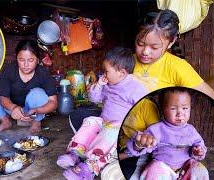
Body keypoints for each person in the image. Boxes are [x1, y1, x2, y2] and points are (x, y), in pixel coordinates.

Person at [100, 9, 214, 180]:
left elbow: (209, 94)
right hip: (124, 138)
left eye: (154, 47)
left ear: (171, 42)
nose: (145, 52)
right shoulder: (127, 63)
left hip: (152, 146)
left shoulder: (177, 67)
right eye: (140, 43)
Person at [56, 47, 148, 179]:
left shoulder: (135, 87)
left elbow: (144, 107)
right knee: (91, 120)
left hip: (120, 129)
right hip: (104, 122)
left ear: (122, 73)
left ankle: (89, 167)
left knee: (112, 130)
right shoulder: (108, 84)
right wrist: (99, 85)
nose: (104, 74)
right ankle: (75, 153)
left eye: (106, 71)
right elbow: (94, 99)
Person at [126, 87, 209, 179]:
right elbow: (141, 146)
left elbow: (199, 143)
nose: (180, 113)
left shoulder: (191, 130)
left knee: (200, 170)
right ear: (163, 110)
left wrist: (198, 151)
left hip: (185, 166)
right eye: (173, 108)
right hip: (162, 168)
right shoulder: (156, 129)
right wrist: (139, 144)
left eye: (185, 108)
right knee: (154, 170)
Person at [0, 39, 58, 133]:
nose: (26, 65)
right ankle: (5, 122)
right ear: (16, 58)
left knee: (38, 93)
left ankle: (36, 122)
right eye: (21, 60)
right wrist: (13, 108)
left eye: (30, 60)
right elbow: (3, 98)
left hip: (34, 112)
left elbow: (53, 102)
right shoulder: (9, 70)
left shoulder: (43, 73)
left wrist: (37, 110)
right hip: (12, 109)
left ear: (37, 60)